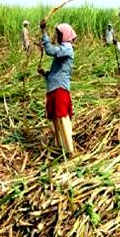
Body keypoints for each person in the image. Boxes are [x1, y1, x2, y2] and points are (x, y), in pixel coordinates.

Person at [37, 19, 76, 155]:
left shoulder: (67, 47)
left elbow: (50, 50)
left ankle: (69, 149)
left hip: (60, 89)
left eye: (59, 34)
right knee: (55, 118)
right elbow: (55, 73)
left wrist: (43, 31)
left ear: (65, 35)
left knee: (62, 117)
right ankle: (60, 146)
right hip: (53, 88)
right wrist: (45, 74)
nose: (57, 37)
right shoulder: (63, 49)